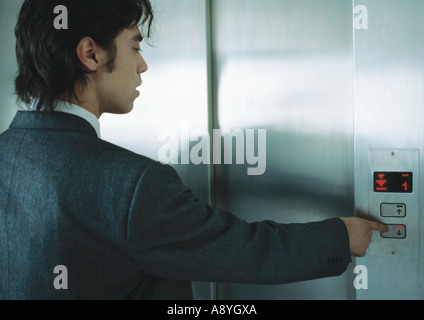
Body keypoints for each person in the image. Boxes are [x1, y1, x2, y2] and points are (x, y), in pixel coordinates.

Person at [0, 0, 388, 300]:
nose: (143, 65)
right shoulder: (133, 184)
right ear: (90, 54)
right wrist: (342, 236)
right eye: (134, 47)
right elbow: (243, 250)